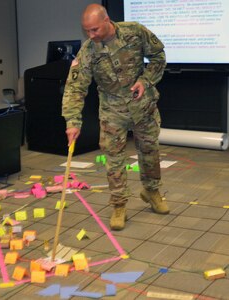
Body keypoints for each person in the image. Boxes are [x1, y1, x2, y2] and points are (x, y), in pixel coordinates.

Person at [62, 3, 169, 231]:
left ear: (107, 20)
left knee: (150, 150)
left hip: (143, 106)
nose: (91, 35)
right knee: (114, 158)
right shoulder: (89, 50)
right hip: (112, 112)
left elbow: (159, 56)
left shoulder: (135, 31)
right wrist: (73, 121)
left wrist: (145, 81)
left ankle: (152, 192)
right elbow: (75, 87)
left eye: (94, 30)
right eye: (87, 31)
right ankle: (119, 205)